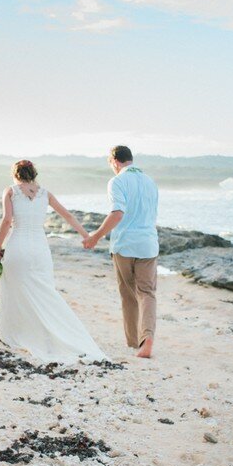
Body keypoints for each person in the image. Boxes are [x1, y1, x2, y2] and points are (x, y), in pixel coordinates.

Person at [0, 160, 109, 364]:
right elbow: (68, 216)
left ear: (15, 175)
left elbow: (7, 221)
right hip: (40, 249)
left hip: (18, 246)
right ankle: (48, 334)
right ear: (34, 174)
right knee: (45, 290)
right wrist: (87, 236)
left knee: (16, 290)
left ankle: (21, 332)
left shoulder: (10, 191)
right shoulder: (45, 193)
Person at [84, 145, 159, 359]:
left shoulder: (117, 181)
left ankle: (134, 342)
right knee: (147, 293)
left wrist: (95, 236)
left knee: (128, 294)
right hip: (148, 244)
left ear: (115, 161)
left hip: (125, 245)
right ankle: (147, 340)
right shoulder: (150, 181)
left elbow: (117, 213)